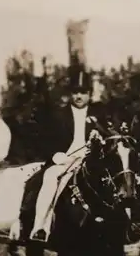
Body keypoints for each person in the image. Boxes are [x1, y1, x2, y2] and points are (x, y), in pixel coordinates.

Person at [23, 66, 110, 243]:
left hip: (91, 162)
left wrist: (101, 138)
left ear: (90, 94)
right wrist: (55, 155)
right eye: (76, 92)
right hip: (65, 160)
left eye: (84, 92)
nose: (79, 97)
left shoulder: (99, 113)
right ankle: (41, 226)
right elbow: (43, 139)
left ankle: (122, 226)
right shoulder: (58, 114)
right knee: (50, 177)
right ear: (70, 93)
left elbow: (110, 137)